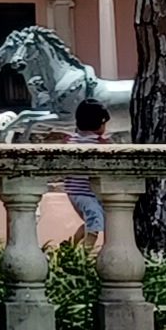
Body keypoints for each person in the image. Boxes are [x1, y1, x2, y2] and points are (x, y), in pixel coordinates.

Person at [62, 98, 110, 242]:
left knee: (93, 220)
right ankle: (85, 252)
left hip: (74, 190)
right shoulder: (98, 143)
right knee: (95, 223)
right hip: (87, 192)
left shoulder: (71, 141)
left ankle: (70, 245)